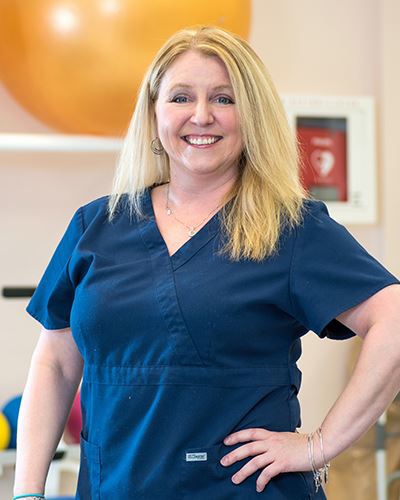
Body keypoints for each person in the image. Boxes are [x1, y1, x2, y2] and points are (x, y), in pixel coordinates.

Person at [14, 25, 400, 500]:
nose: (201, 115)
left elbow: (393, 320)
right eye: (181, 97)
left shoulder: (292, 228)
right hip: (114, 487)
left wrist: (319, 445)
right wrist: (27, 492)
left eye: (223, 98)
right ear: (154, 113)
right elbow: (55, 362)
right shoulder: (97, 226)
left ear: (252, 115)